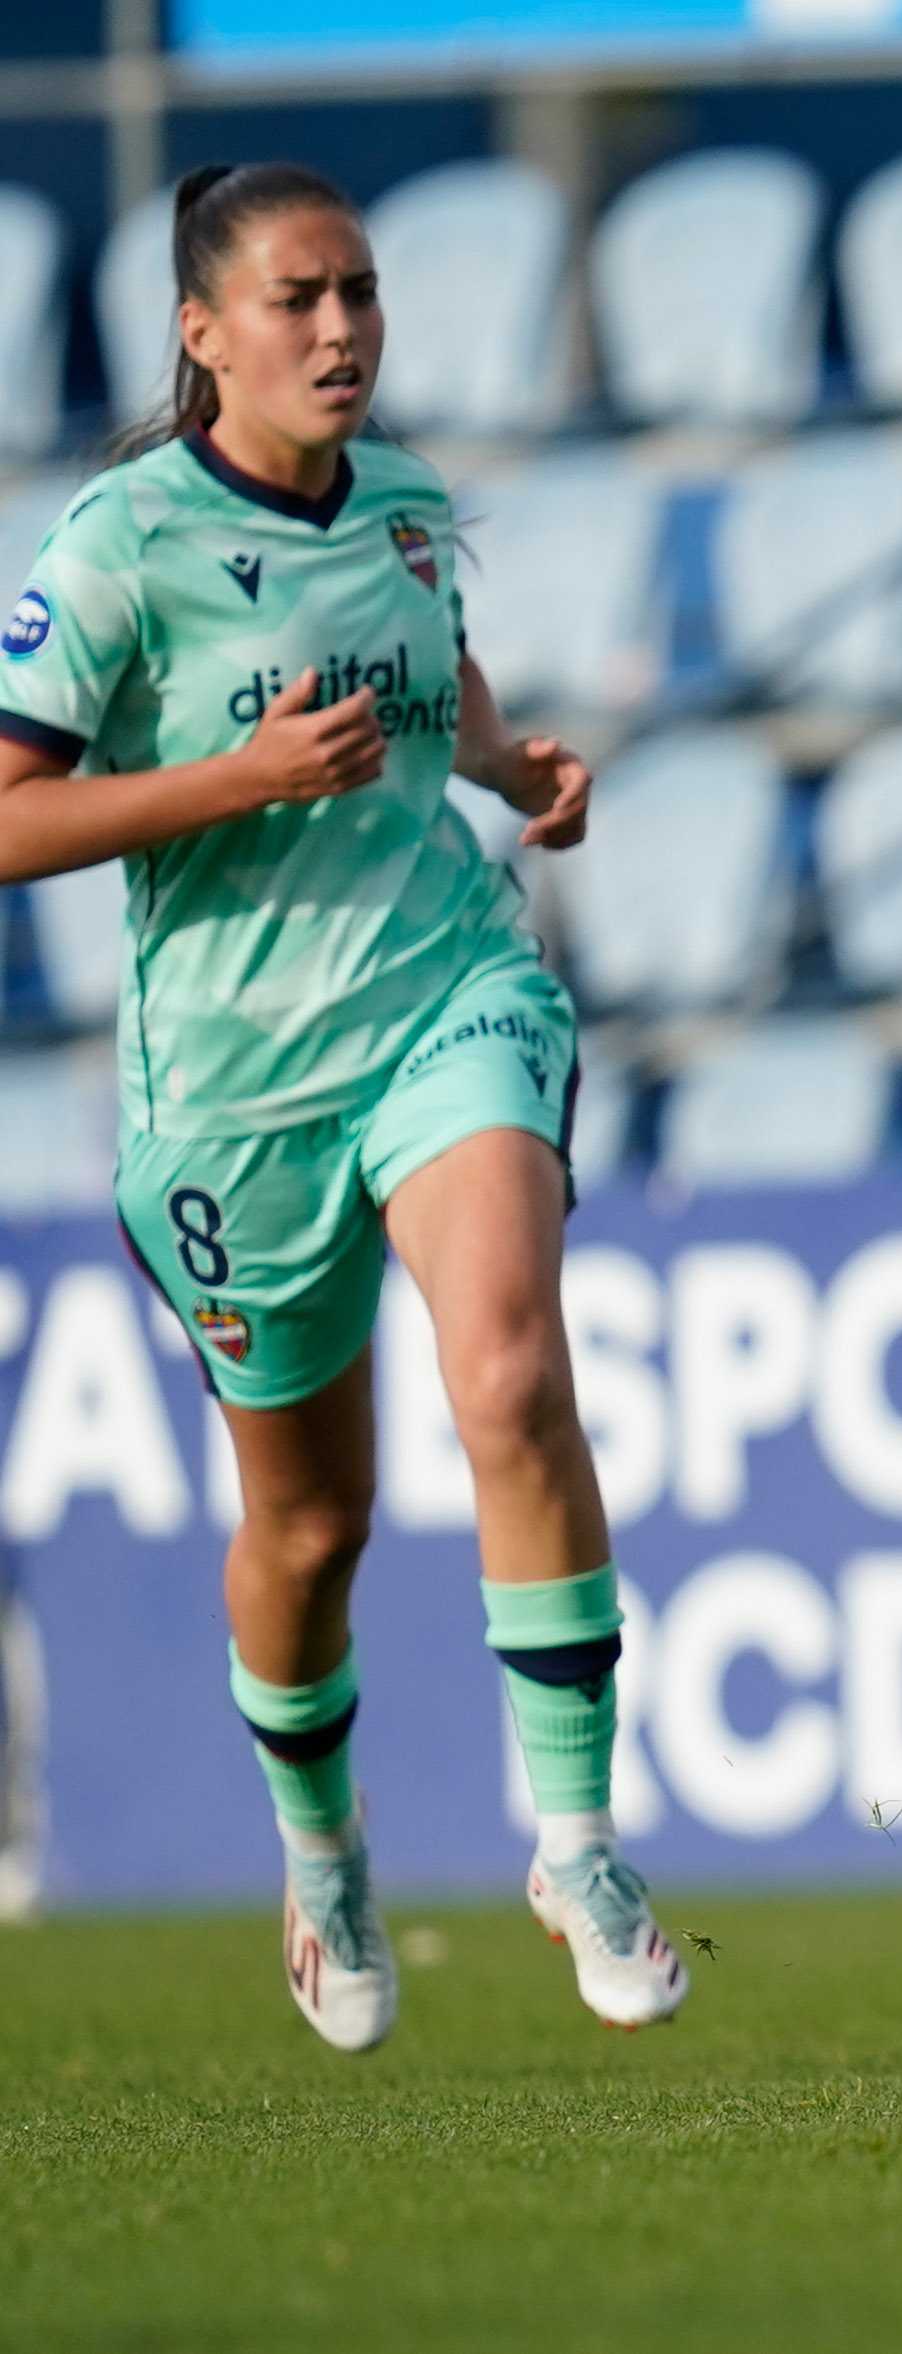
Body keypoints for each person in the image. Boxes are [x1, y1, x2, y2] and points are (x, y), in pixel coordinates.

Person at [0, 163, 686, 2047]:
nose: (340, 328)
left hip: (442, 995)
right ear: (202, 333)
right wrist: (237, 778)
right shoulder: (120, 543)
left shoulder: (400, 503)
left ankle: (577, 1844)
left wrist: (506, 760)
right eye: (297, 298)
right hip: (233, 1099)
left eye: (360, 292)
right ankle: (322, 1857)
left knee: (512, 1372)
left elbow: (426, 678)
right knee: (311, 1532)